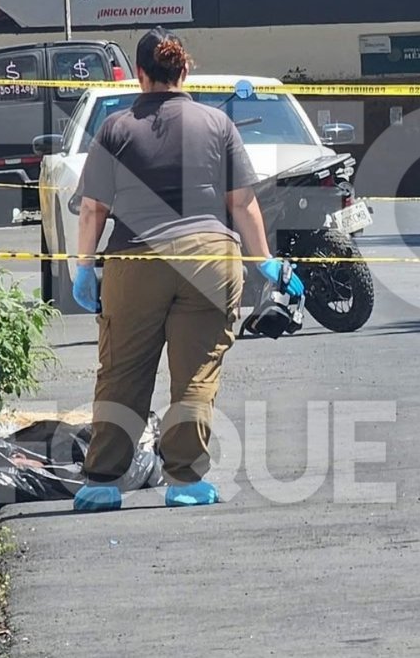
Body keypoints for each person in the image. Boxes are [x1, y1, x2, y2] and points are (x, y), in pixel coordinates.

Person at [68, 28, 301, 512]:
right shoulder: (217, 125)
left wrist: (84, 268)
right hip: (211, 258)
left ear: (139, 75)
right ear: (185, 70)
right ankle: (185, 480)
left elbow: (93, 210)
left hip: (136, 260)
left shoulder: (116, 127)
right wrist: (266, 261)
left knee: (123, 371)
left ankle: (104, 482)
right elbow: (243, 203)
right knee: (195, 374)